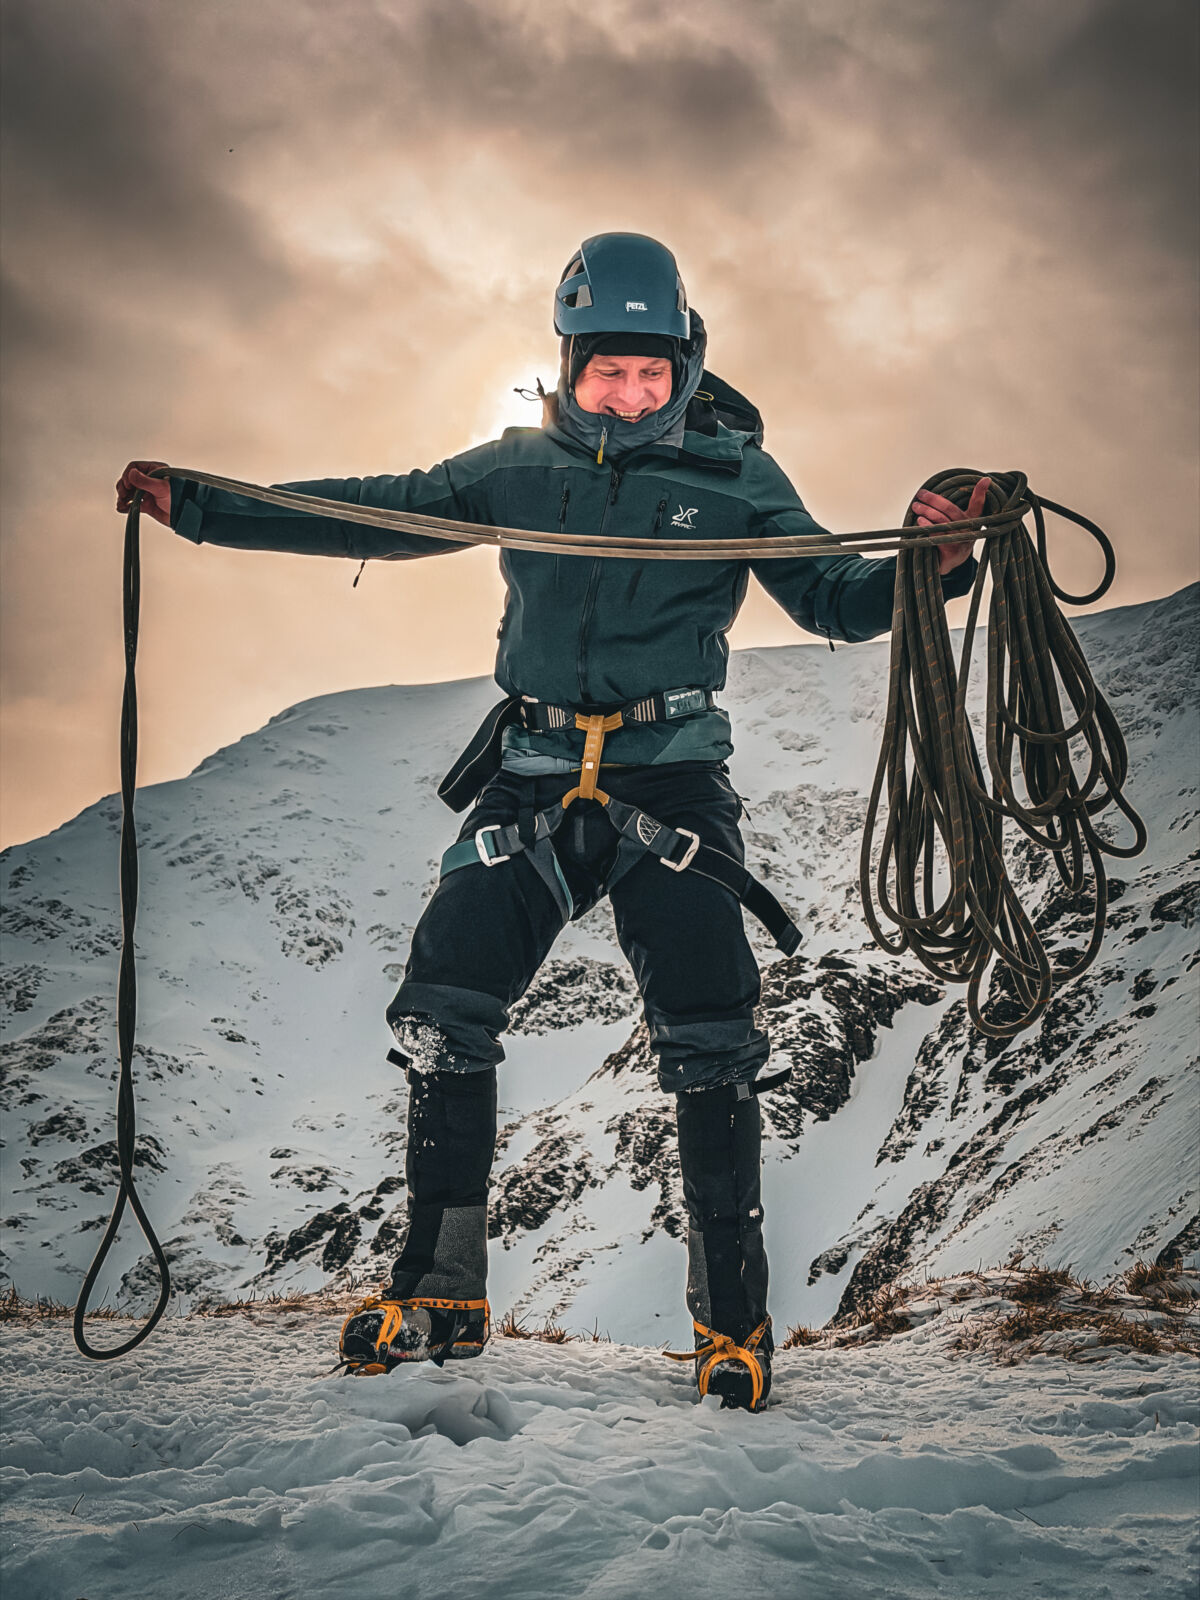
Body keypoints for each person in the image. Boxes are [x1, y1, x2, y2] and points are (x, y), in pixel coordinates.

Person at [118, 232, 985, 1410]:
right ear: (567, 364)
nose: (628, 395)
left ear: (684, 362)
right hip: (529, 772)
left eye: (650, 373)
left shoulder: (735, 479)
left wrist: (930, 559)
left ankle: (733, 1326)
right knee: (444, 1006)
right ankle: (440, 1291)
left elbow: (835, 597)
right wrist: (209, 507)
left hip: (670, 776)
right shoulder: (519, 470)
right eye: (605, 374)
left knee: (712, 1032)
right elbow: (386, 513)